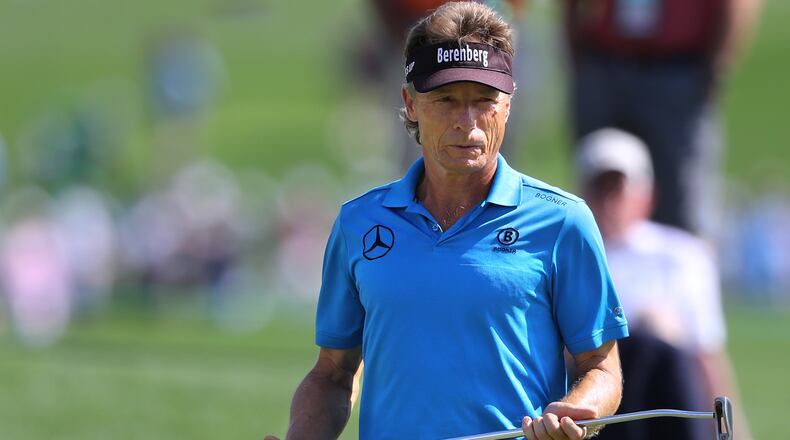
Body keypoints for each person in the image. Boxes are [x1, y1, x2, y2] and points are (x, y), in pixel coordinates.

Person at [266, 3, 629, 439]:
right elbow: (333, 374)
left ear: (509, 104)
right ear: (410, 104)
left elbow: (602, 367)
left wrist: (575, 411)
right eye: (446, 101)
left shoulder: (563, 221)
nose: (468, 123)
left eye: (484, 101)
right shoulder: (358, 224)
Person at [576, 128, 753, 439]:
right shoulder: (567, 255)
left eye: (618, 189)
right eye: (599, 189)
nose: (609, 202)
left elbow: (706, 354)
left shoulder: (682, 256)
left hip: (666, 394)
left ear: (646, 196)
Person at [562, 0, 762, 237]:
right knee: (599, 190)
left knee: (681, 203)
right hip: (605, 61)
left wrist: (717, 66)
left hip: (675, 68)